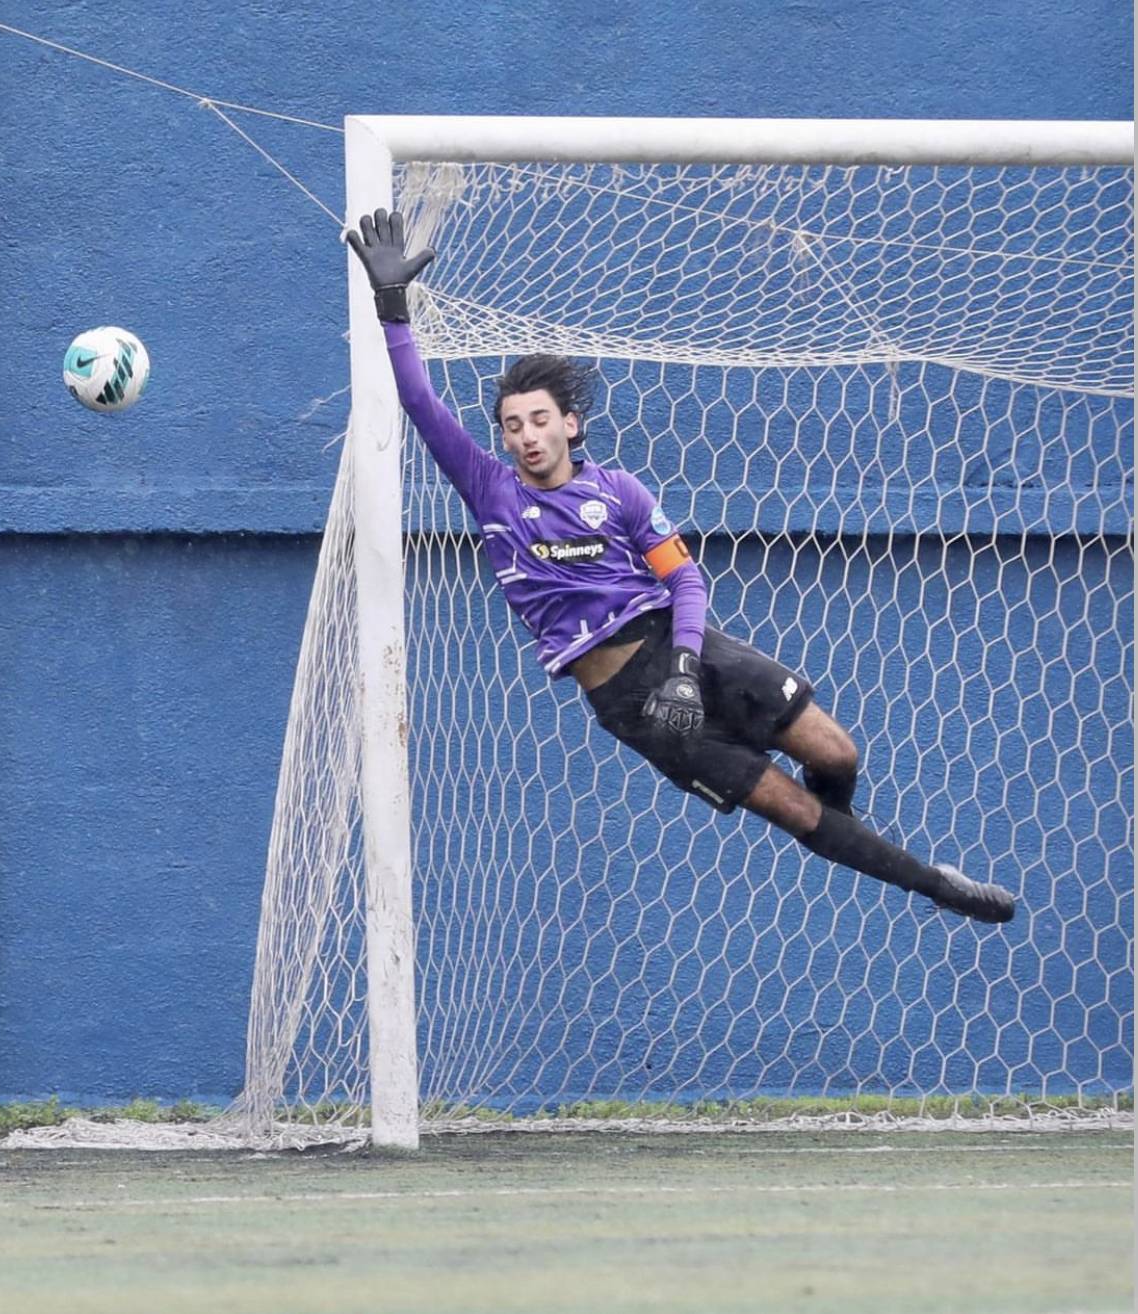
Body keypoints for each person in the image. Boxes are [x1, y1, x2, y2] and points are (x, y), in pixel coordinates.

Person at [345, 209, 1015, 925]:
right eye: (512, 425)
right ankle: (934, 885)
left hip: (689, 650)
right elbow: (419, 402)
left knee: (837, 753)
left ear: (569, 423)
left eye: (539, 419)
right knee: (788, 807)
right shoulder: (491, 491)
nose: (526, 436)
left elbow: (685, 579)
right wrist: (392, 309)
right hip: (630, 698)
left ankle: (842, 830)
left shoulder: (620, 491)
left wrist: (688, 669)